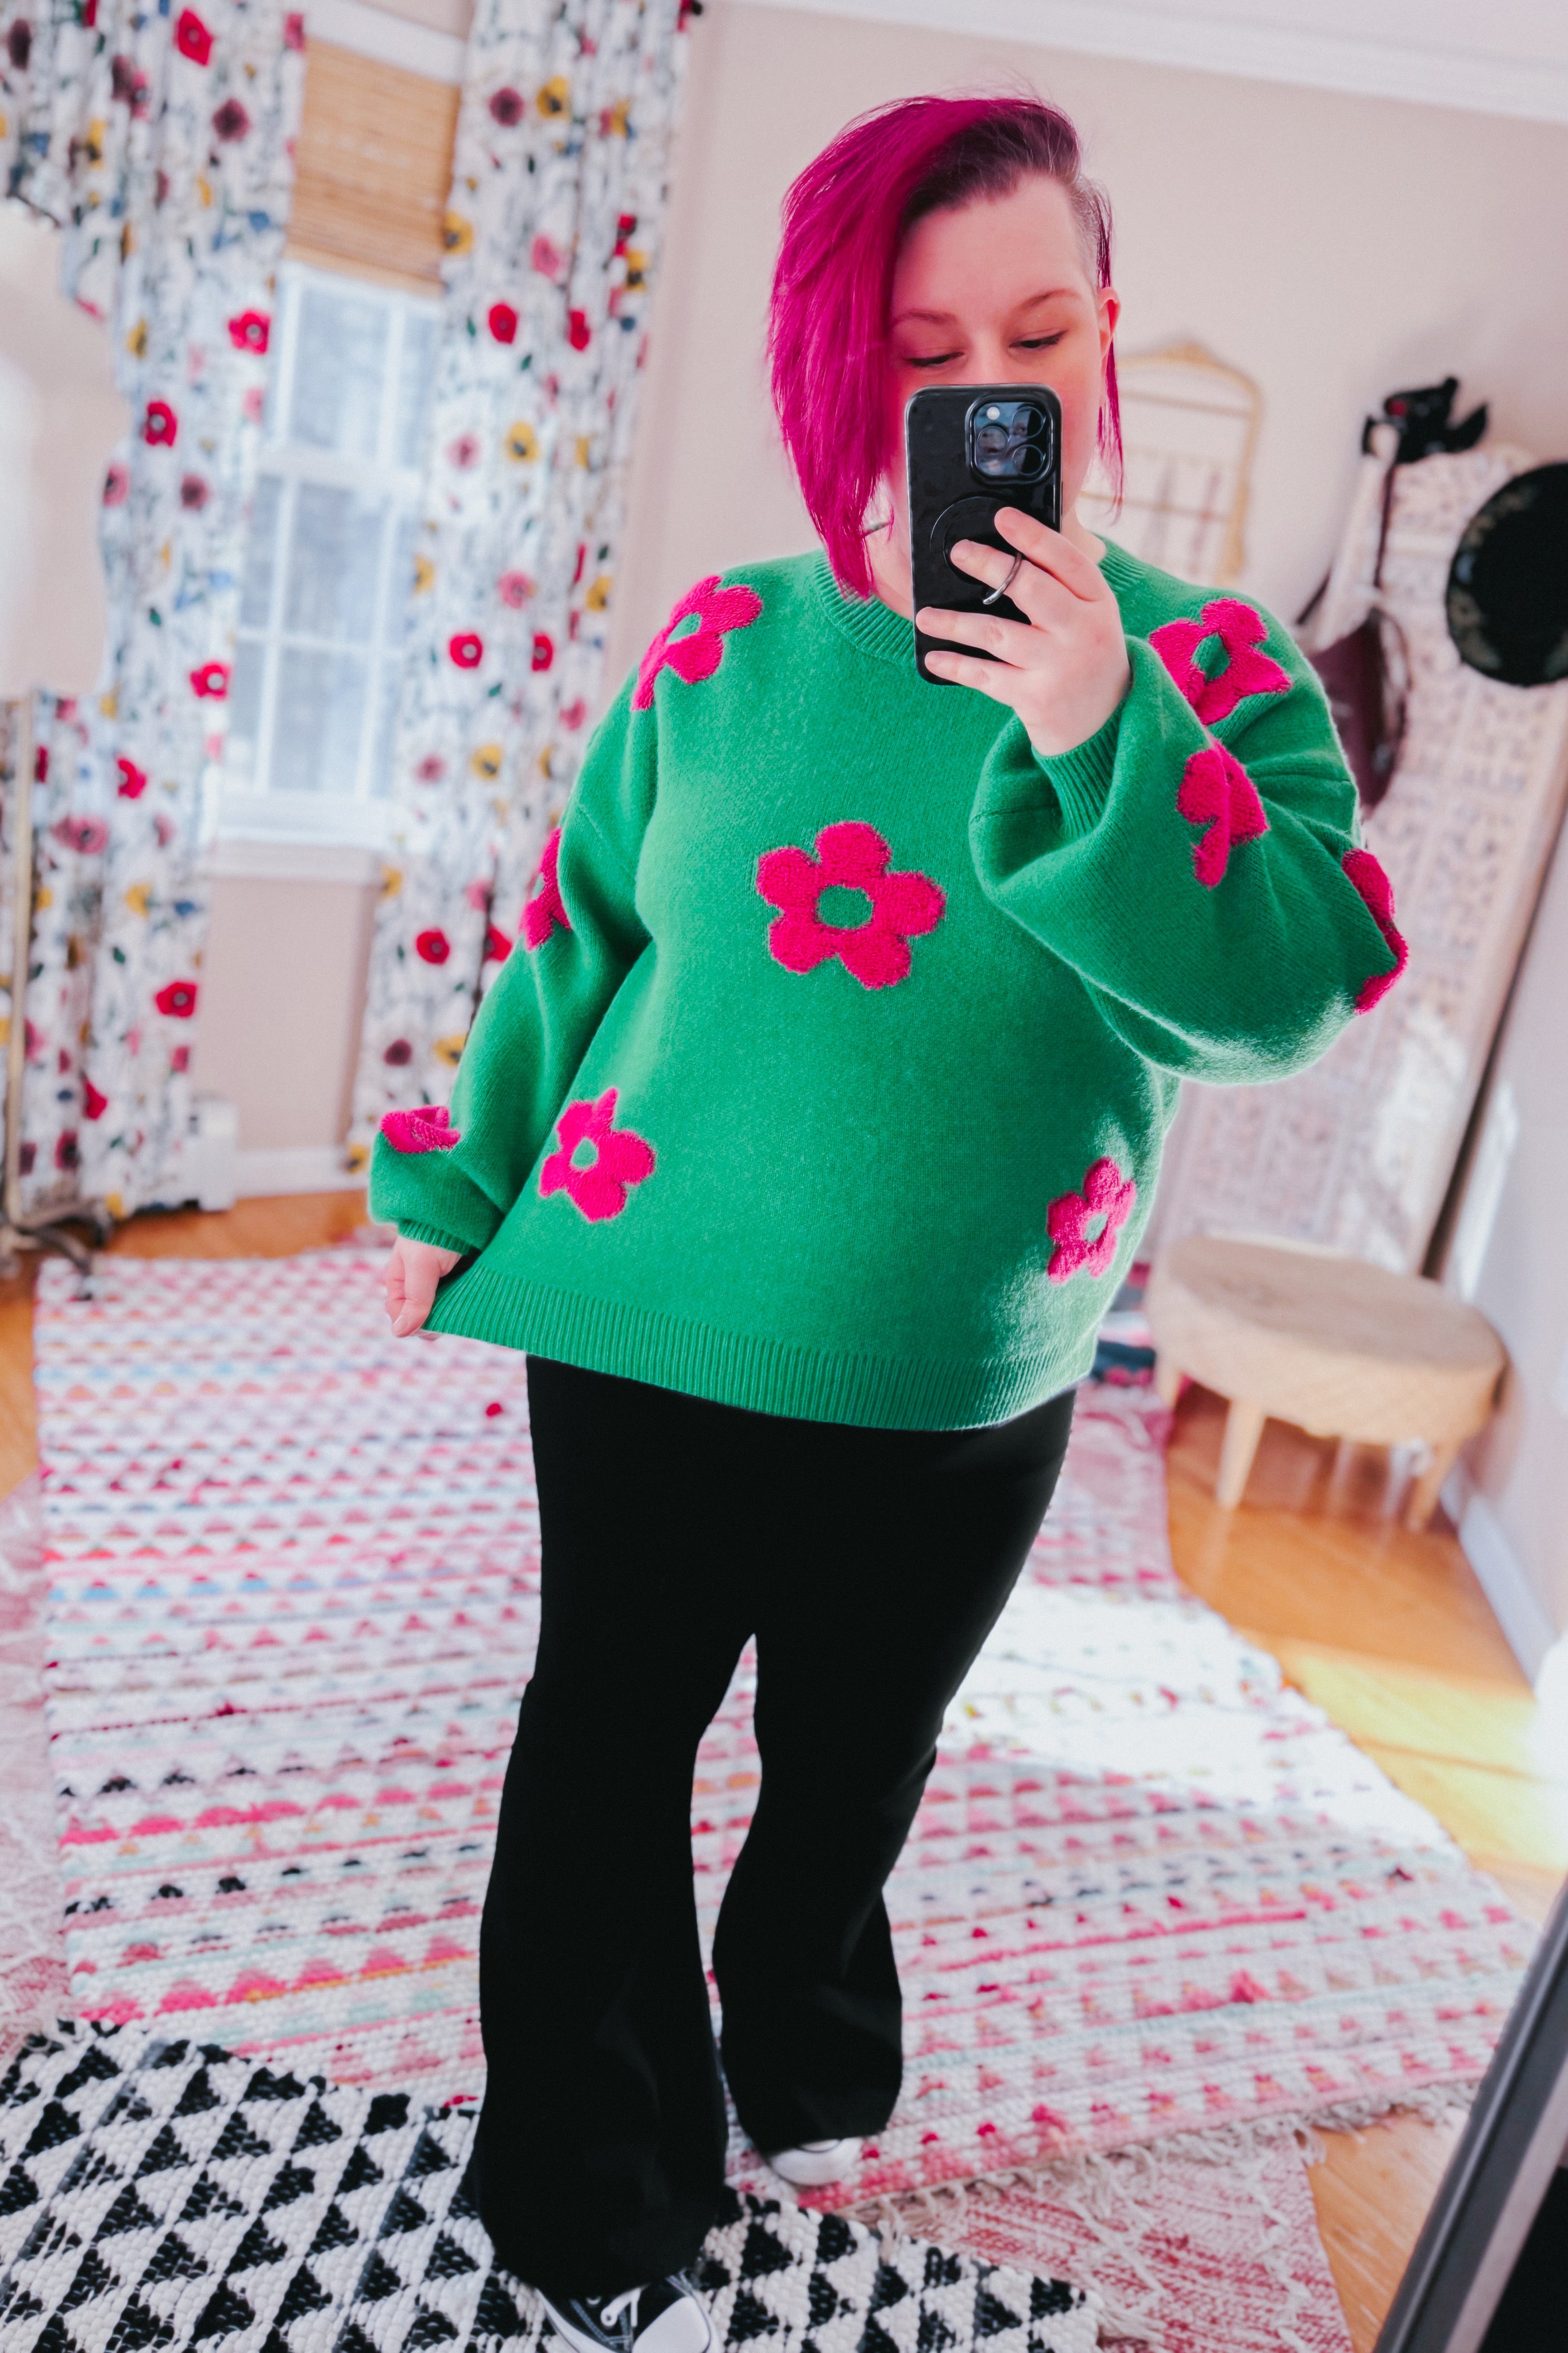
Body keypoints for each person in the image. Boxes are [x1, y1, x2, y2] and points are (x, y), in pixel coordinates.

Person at [368, 91, 1405, 2353]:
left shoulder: (1213, 672)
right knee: (601, 1752)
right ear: (840, 363)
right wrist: (455, 1185)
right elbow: (579, 941)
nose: (986, 399)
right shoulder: (721, 642)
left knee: (854, 1759)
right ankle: (585, 2166)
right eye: (926, 349)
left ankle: (808, 2041)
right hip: (640, 1318)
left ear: (1102, 338)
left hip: (967, 1369)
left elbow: (1293, 986)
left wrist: (1094, 718)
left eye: (1037, 333)